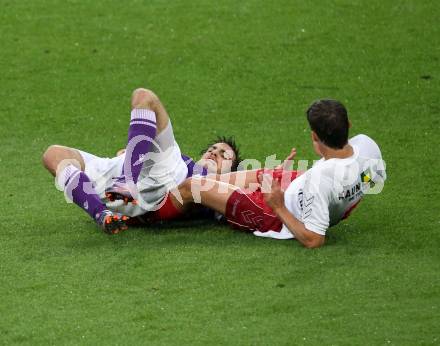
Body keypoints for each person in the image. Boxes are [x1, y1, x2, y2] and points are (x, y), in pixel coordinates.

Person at [172, 99, 386, 248]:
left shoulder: (319, 180)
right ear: (348, 125)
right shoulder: (368, 147)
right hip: (295, 186)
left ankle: (142, 213)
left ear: (314, 137)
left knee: (192, 187)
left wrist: (279, 206)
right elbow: (370, 179)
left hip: (271, 214)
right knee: (225, 180)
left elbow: (314, 240)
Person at [42, 88, 241, 234]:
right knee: (54, 155)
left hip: (158, 180)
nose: (215, 152)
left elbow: (233, 206)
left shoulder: (213, 185)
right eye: (212, 149)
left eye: (225, 155)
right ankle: (101, 213)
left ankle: (125, 181)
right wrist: (129, 155)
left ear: (232, 171)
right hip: (120, 187)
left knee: (144, 97)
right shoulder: (187, 163)